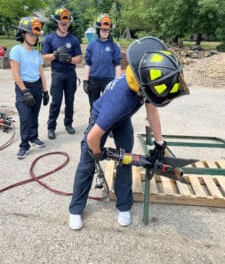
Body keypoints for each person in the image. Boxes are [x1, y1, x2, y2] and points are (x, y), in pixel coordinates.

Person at [69, 36, 190, 230]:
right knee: (86, 161)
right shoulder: (118, 101)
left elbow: (153, 113)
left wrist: (160, 143)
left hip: (123, 119)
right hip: (102, 118)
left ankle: (124, 206)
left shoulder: (146, 77)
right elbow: (93, 137)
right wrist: (97, 153)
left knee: (126, 158)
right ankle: (75, 210)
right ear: (143, 88)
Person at [10, 17, 49, 159]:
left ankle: (34, 137)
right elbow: (15, 72)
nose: (34, 38)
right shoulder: (16, 50)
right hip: (23, 88)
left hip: (37, 87)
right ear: (23, 34)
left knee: (34, 115)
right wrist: (24, 91)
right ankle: (24, 145)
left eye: (36, 35)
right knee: (25, 117)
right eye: (31, 34)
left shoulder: (36, 54)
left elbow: (42, 73)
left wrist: (45, 91)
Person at [42, 6, 82, 140]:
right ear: (57, 23)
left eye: (66, 23)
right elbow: (44, 57)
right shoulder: (49, 39)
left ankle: (68, 124)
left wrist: (70, 59)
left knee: (70, 101)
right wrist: (55, 54)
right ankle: (51, 127)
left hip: (70, 74)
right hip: (57, 73)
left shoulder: (74, 39)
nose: (64, 25)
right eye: (62, 23)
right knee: (56, 102)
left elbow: (79, 58)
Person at [83, 14, 122, 110]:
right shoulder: (91, 45)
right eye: (102, 30)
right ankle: (92, 123)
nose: (104, 32)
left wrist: (117, 82)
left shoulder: (114, 46)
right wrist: (85, 81)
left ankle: (106, 125)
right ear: (98, 30)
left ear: (109, 30)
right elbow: (87, 64)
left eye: (106, 30)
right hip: (93, 80)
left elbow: (117, 65)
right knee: (93, 106)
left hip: (108, 81)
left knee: (108, 106)